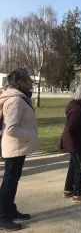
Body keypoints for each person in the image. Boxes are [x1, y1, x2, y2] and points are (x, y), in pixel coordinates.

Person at [0, 68, 38, 231]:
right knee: (9, 182)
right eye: (28, 79)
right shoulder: (15, 100)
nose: (31, 82)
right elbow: (11, 128)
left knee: (13, 181)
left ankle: (10, 210)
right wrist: (29, 135)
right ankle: (2, 217)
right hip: (15, 146)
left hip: (19, 146)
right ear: (21, 82)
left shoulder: (20, 98)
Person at [60, 84, 81, 204]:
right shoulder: (77, 109)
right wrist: (75, 144)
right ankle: (77, 194)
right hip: (76, 143)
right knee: (80, 166)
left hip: (76, 142)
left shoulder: (78, 106)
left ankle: (68, 189)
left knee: (73, 165)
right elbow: (72, 129)